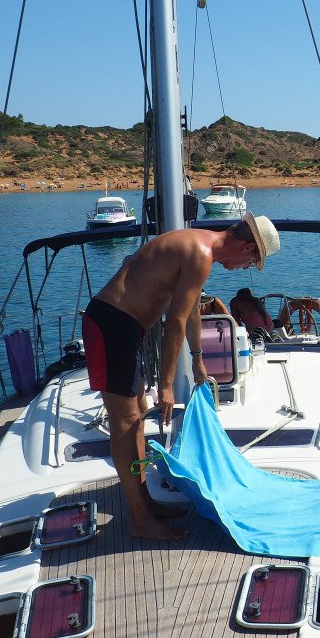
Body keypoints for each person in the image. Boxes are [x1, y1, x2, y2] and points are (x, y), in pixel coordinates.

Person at [82, 212, 280, 539]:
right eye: (252, 262)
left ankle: (144, 504)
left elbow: (187, 313)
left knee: (135, 417)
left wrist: (199, 359)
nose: (246, 269)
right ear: (246, 248)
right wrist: (167, 386)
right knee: (126, 419)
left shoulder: (200, 247)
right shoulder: (200, 254)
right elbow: (173, 322)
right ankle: (140, 519)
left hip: (125, 328)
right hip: (111, 325)